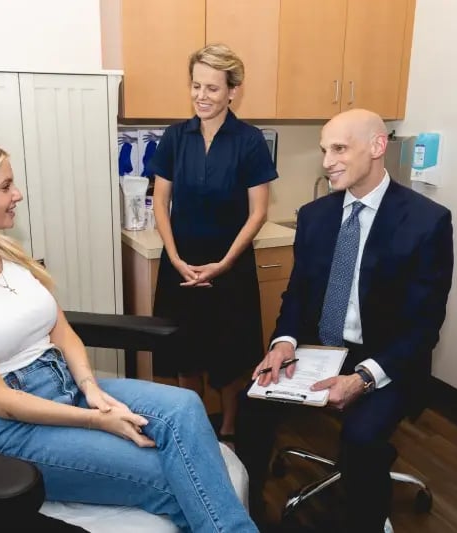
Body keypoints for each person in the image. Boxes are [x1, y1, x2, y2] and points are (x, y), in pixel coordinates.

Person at [0, 134, 258, 533]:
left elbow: (62, 333)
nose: (18, 194)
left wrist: (91, 387)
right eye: (5, 186)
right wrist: (96, 420)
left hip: (63, 384)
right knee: (171, 474)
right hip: (11, 430)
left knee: (186, 407)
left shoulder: (8, 255)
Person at [236, 109, 454, 532]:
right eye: (324, 150)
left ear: (376, 147)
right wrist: (282, 342)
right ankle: (244, 513)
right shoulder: (316, 216)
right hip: (319, 349)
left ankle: (369, 522)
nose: (326, 161)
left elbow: (424, 326)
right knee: (252, 404)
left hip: (386, 359)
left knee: (362, 437)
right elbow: (297, 296)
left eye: (339, 148)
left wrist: (363, 378)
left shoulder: (426, 222)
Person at [149, 44, 278, 445]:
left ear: (232, 91)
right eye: (196, 86)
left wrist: (223, 264)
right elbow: (159, 201)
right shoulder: (174, 137)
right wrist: (174, 257)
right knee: (184, 350)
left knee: (229, 356)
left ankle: (229, 428)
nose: (202, 96)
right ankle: (192, 429)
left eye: (212, 89)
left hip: (230, 265)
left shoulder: (250, 141)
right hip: (182, 263)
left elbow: (257, 213)